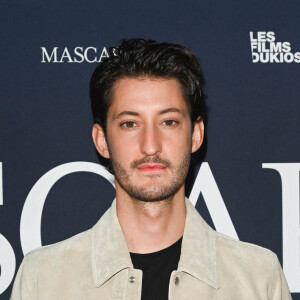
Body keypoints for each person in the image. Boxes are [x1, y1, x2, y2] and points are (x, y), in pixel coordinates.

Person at [10, 38, 291, 300]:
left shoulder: (258, 278)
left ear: (196, 134)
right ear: (102, 140)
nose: (150, 146)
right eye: (130, 124)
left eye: (168, 122)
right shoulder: (42, 280)